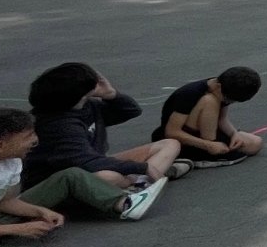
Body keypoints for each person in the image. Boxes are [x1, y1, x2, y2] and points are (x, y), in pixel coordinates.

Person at [0, 108, 166, 247]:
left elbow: (4, 201)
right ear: (0, 146)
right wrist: (19, 228)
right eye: (27, 136)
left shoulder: (12, 160)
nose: (35, 140)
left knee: (70, 175)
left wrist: (39, 211)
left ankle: (125, 204)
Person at [26, 62, 184, 187]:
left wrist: (111, 95)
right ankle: (138, 182)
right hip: (61, 177)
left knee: (169, 144)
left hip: (92, 161)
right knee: (108, 177)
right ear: (80, 93)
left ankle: (140, 182)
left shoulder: (85, 106)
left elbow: (130, 111)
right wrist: (143, 167)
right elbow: (85, 162)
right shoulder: (58, 124)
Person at [151, 67, 262, 168]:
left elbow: (222, 119)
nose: (228, 102)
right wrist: (209, 145)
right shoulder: (190, 93)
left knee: (256, 143)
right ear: (218, 86)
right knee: (210, 101)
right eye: (228, 99)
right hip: (178, 137)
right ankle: (205, 154)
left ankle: (209, 149)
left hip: (204, 132)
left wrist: (234, 134)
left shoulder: (224, 89)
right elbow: (171, 131)